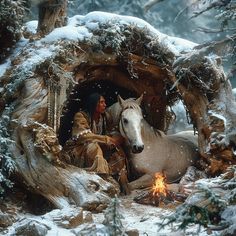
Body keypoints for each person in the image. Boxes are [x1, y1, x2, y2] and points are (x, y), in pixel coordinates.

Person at [62, 93, 130, 194]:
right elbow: (82, 136)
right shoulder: (81, 116)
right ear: (94, 103)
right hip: (78, 149)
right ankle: (101, 177)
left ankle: (122, 181)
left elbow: (112, 131)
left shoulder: (105, 118)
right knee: (94, 147)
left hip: (96, 148)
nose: (105, 105)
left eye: (104, 102)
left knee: (117, 152)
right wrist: (105, 139)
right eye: (101, 102)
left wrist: (115, 139)